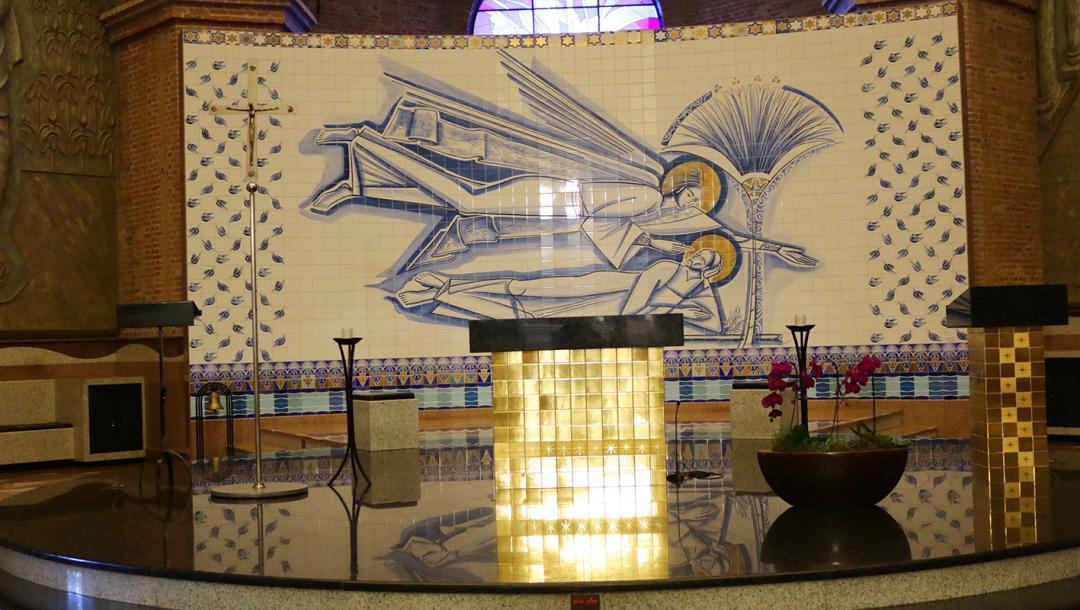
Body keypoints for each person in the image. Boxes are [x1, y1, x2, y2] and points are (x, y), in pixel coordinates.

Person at [394, 248, 725, 323]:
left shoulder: (693, 286)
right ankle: (449, 284)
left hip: (607, 304)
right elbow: (635, 305)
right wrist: (677, 309)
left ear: (709, 270)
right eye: (699, 253)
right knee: (523, 290)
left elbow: (708, 318)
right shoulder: (668, 267)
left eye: (704, 259)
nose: (696, 258)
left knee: (526, 315)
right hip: (601, 290)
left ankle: (445, 292)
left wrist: (680, 307)